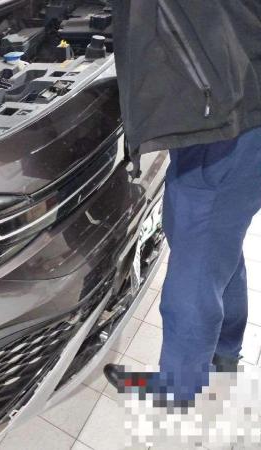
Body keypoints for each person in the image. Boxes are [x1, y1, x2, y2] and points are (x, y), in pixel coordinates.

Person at [103, 1, 261, 408]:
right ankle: (224, 353)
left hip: (228, 123)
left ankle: (179, 387)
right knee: (217, 246)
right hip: (232, 102)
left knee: (195, 264)